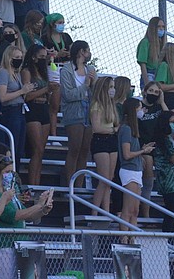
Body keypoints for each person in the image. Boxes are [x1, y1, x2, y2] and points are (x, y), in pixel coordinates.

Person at [0, 155, 53, 279]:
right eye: (7, 172)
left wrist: (42, 208)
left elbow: (28, 216)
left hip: (21, 245)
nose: (10, 175)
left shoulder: (11, 194)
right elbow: (13, 216)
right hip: (4, 247)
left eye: (11, 172)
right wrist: (38, 205)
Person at [60, 40, 96, 186]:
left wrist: (93, 85)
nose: (89, 53)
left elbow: (95, 93)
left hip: (89, 113)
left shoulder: (91, 69)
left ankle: (79, 186)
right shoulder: (66, 70)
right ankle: (69, 184)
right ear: (82, 51)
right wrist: (86, 85)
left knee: (85, 150)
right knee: (74, 148)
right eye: (87, 50)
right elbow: (68, 94)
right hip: (74, 113)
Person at [118, 97, 154, 234]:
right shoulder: (126, 129)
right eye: (139, 108)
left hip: (136, 170)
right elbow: (127, 154)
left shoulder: (133, 130)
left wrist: (142, 149)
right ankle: (124, 239)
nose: (142, 110)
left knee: (135, 210)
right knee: (128, 209)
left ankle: (132, 238)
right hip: (129, 170)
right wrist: (143, 151)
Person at [20, 45, 54, 185]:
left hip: (44, 107)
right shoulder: (27, 71)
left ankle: (37, 183)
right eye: (41, 57)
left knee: (41, 151)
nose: (44, 59)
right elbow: (26, 96)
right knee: (37, 148)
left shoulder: (44, 73)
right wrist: (46, 89)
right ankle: (32, 184)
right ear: (33, 57)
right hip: (32, 108)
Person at [89, 76, 119, 214]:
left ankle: (106, 210)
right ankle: (94, 211)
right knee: (104, 179)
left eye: (114, 87)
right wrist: (113, 130)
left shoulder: (111, 105)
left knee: (110, 179)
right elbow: (96, 127)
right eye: (110, 87)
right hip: (100, 141)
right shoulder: (96, 104)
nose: (113, 90)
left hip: (112, 141)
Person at [152, 110, 174, 233]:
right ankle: (167, 240)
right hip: (168, 181)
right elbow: (172, 158)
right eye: (173, 122)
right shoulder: (162, 139)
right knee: (172, 211)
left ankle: (170, 239)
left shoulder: (170, 138)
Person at [136, 16, 167, 89]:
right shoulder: (145, 42)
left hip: (159, 76)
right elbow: (142, 64)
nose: (161, 28)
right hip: (149, 74)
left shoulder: (162, 44)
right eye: (158, 26)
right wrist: (147, 82)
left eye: (163, 26)